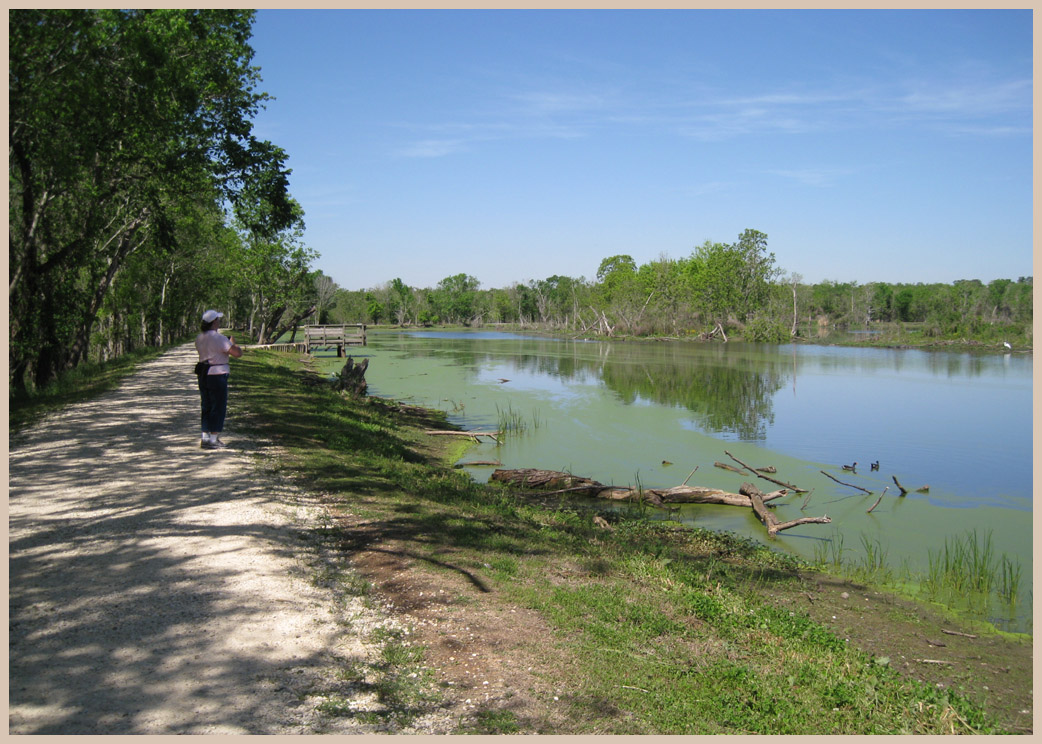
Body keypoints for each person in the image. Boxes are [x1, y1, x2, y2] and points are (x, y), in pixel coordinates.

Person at [195, 309, 243, 449]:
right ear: (214, 322)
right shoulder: (220, 338)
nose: (219, 322)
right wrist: (233, 343)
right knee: (218, 405)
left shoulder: (199, 338)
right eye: (218, 319)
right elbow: (237, 353)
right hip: (217, 373)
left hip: (203, 372)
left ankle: (205, 436)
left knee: (206, 405)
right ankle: (214, 438)